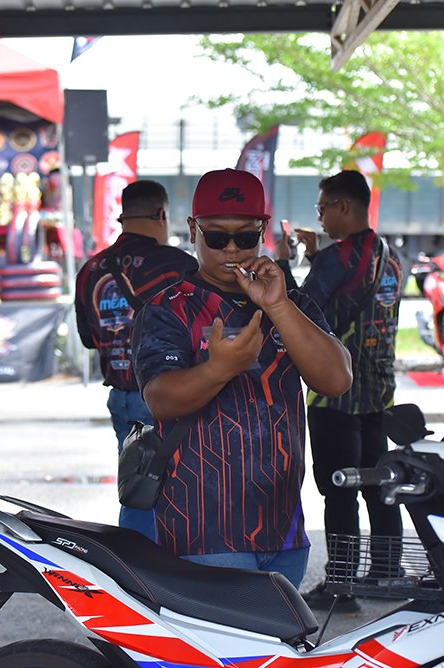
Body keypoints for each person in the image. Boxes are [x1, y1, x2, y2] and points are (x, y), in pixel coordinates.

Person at [131, 168, 352, 589]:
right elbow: (160, 399)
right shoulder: (168, 308)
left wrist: (279, 306)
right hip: (206, 534)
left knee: (278, 636)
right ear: (193, 230)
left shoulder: (291, 303)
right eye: (216, 237)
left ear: (263, 231)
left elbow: (336, 379)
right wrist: (219, 369)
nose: (231, 249)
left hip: (284, 533)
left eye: (246, 237)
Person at [276, 169, 404, 612]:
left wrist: (284, 265)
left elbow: (300, 313)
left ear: (343, 206)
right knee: (380, 485)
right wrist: (319, 258)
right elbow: (353, 297)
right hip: (379, 392)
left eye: (322, 208)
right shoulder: (390, 255)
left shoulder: (337, 259)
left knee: (339, 489)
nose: (320, 218)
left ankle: (342, 585)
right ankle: (387, 572)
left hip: (335, 394)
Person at [74, 180, 198, 540]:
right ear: (162, 215)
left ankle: (134, 569)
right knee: (185, 491)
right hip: (172, 396)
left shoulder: (91, 270)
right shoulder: (176, 265)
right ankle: (176, 570)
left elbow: (88, 338)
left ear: (123, 216)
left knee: (138, 488)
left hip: (122, 399)